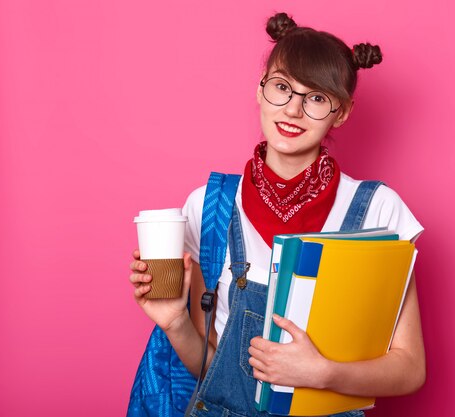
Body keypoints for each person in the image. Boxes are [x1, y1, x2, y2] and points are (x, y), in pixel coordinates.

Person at [128, 12, 426, 417]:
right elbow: (214, 371)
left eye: (317, 98)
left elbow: (410, 369)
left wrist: (323, 373)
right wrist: (174, 321)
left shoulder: (378, 209)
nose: (293, 110)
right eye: (282, 87)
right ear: (260, 90)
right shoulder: (209, 206)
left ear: (342, 112)